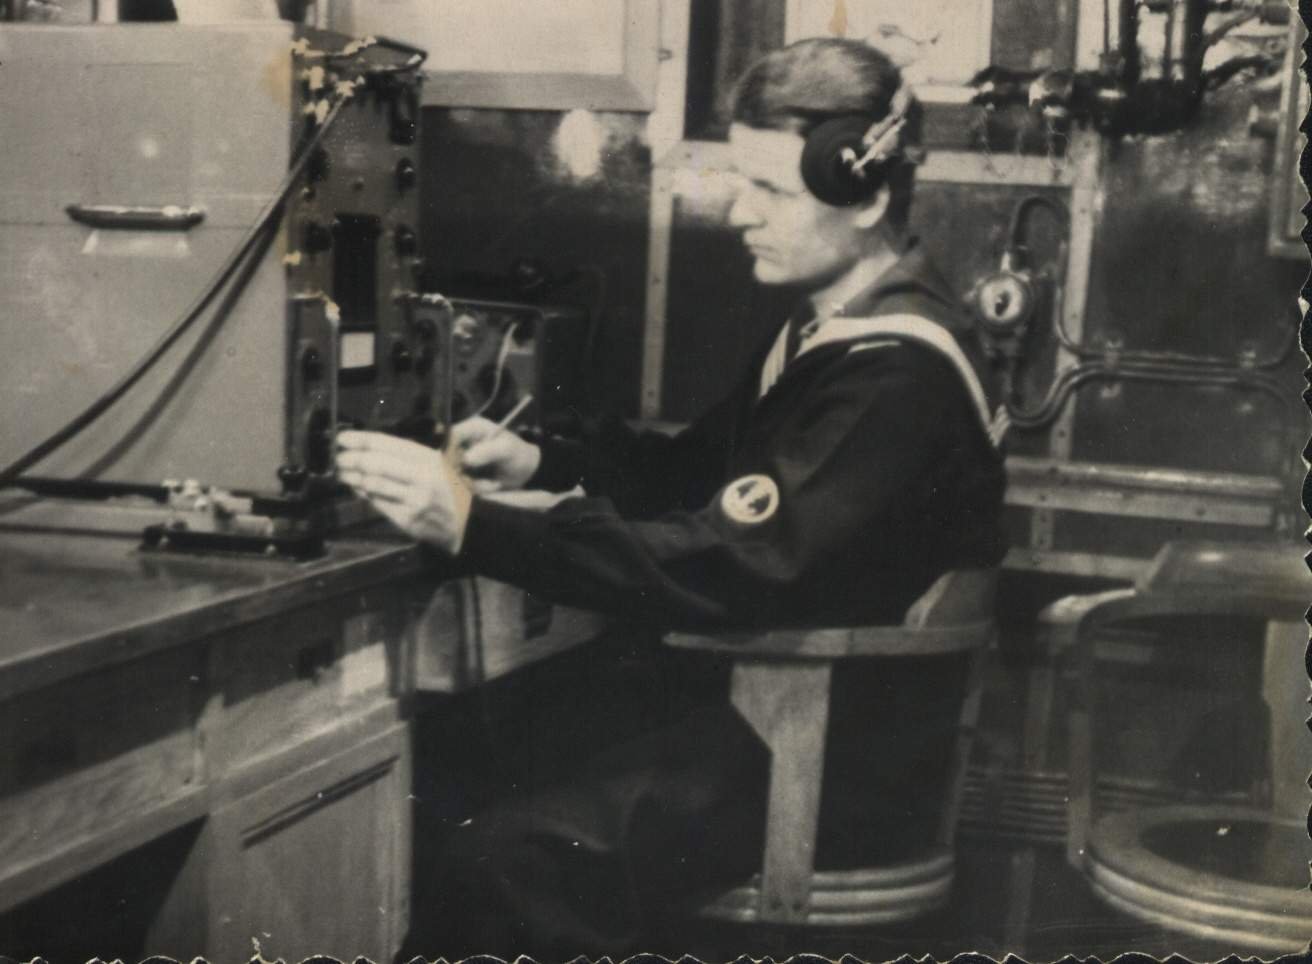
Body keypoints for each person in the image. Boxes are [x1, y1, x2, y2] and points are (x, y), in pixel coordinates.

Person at [338, 37, 1007, 959]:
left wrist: (470, 525)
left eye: (770, 191)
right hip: (774, 716)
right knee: (447, 757)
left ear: (868, 197)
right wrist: (542, 463)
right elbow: (699, 478)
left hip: (824, 763)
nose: (739, 213)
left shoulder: (895, 373)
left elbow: (731, 560)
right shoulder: (835, 332)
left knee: (507, 857)